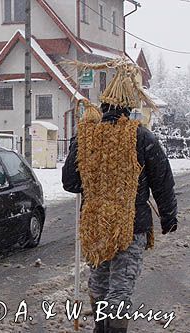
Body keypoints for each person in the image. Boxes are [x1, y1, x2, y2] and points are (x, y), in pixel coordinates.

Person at [62, 61, 178, 333]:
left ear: (104, 105)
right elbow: (162, 180)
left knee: (100, 286)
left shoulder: (86, 137)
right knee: (120, 290)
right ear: (128, 107)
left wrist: (78, 147)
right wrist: (168, 217)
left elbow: (70, 183)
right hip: (131, 226)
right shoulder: (142, 137)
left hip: (96, 226)